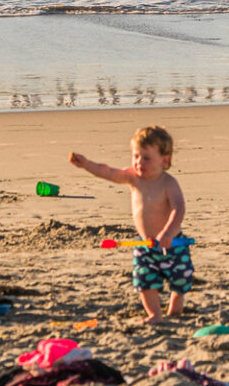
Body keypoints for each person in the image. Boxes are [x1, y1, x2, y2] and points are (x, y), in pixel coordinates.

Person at [70, 126, 191, 323]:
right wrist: (86, 164)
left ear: (165, 160)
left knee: (179, 280)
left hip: (172, 244)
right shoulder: (133, 178)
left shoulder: (168, 183)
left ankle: (175, 309)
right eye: (135, 156)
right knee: (144, 281)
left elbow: (179, 209)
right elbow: (107, 171)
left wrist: (168, 233)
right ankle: (154, 314)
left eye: (146, 158)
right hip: (145, 245)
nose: (139, 162)